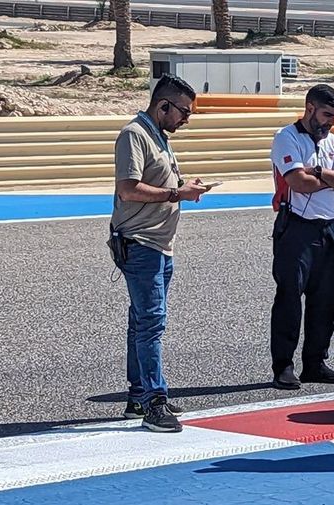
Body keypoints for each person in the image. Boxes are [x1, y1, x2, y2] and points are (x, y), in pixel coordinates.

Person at [110, 74, 210, 433]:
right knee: (151, 323)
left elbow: (158, 183)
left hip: (157, 245)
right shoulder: (134, 135)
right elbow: (128, 189)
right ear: (163, 106)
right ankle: (154, 402)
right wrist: (176, 194)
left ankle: (139, 396)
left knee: (141, 322)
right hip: (141, 244)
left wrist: (182, 187)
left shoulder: (158, 136)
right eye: (184, 112)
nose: (186, 119)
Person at [269, 84, 334, 390]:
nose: (331, 121)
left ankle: (315, 363)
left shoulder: (333, 141)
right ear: (310, 109)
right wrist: (329, 179)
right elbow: (298, 183)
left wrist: (317, 172)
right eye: (326, 114)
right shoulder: (286, 137)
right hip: (296, 227)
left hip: (329, 227)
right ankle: (283, 366)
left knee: (325, 299)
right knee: (289, 298)